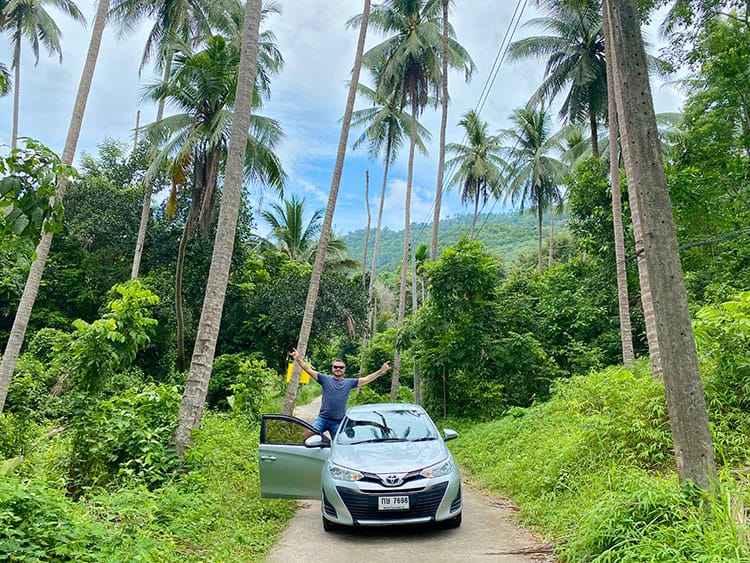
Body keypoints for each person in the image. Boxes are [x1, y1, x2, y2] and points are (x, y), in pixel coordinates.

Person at [290, 348, 391, 438]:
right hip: (323, 419)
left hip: (338, 422)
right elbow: (308, 369)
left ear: (344, 369)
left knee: (340, 446)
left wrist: (381, 370)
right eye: (336, 367)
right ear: (332, 368)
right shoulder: (325, 379)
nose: (338, 369)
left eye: (341, 367)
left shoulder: (349, 383)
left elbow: (367, 378)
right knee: (308, 438)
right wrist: (298, 359)